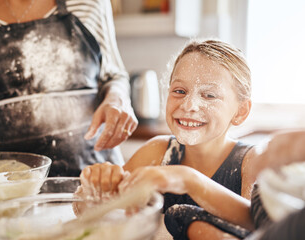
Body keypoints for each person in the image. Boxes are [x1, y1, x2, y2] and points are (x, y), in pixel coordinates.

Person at [77, 38, 258, 239]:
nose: (189, 105)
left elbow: (260, 223)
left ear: (241, 111)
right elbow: (87, 212)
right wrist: (96, 187)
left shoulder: (251, 162)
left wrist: (188, 179)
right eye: (179, 91)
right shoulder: (157, 152)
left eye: (209, 95)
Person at [0, 0, 138, 176]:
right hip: (6, 190)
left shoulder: (89, 2)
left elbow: (113, 76)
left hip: (96, 180)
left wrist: (117, 99)